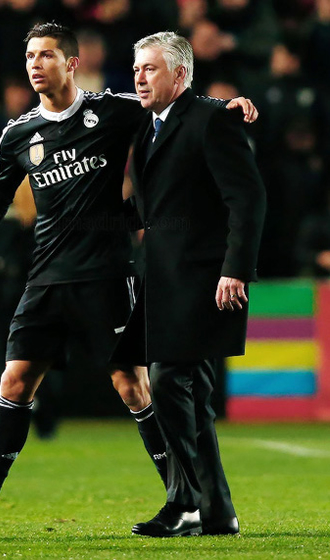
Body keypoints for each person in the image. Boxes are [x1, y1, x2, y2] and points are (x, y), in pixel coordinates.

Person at [0, 22, 258, 538]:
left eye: (46, 54)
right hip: (45, 277)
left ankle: (186, 500)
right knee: (15, 380)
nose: (34, 64)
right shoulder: (18, 134)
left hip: (107, 274)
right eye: (29, 55)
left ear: (70, 63)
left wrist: (226, 107)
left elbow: (174, 103)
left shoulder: (114, 110)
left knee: (135, 385)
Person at [116, 31, 266, 538]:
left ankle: (187, 501)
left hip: (204, 278)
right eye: (135, 67)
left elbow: (248, 200)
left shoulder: (210, 119)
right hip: (161, 276)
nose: (138, 76)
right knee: (191, 394)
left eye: (150, 68)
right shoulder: (147, 123)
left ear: (180, 75)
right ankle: (218, 512)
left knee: (165, 380)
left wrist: (235, 268)